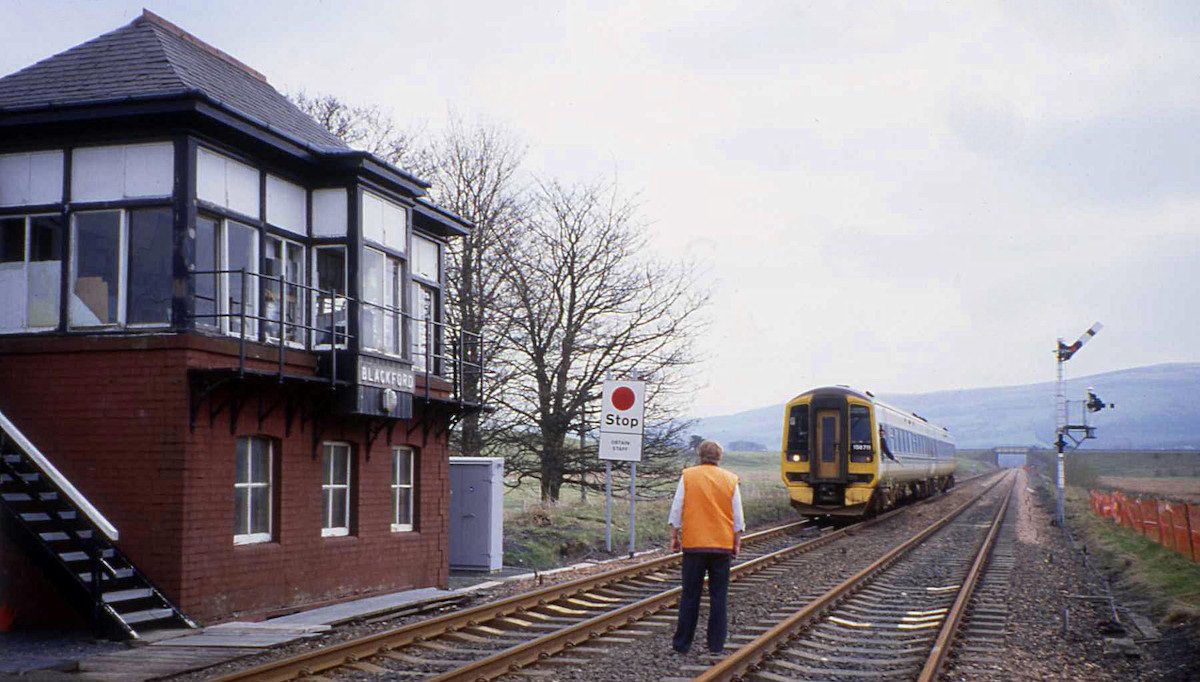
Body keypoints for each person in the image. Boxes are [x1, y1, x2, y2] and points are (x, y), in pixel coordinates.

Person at [668, 440, 745, 655]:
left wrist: (675, 535)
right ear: (719, 457)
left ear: (699, 455)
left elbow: (677, 509)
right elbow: (738, 518)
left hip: (694, 545)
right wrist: (736, 542)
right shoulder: (730, 480)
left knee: (690, 595)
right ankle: (716, 645)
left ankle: (682, 644)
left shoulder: (688, 476)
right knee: (719, 597)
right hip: (721, 546)